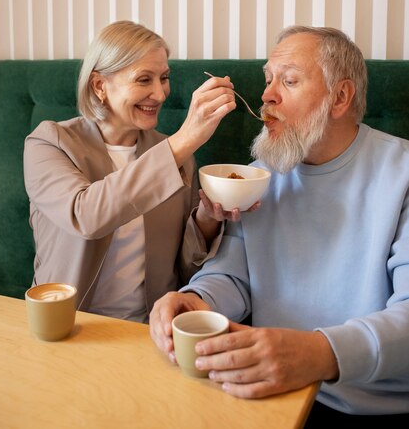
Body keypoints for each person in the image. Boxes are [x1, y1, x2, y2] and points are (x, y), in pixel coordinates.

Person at [149, 26, 409, 425]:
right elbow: (232, 276)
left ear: (340, 97)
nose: (267, 95)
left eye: (288, 80)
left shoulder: (402, 174)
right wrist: (198, 301)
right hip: (269, 394)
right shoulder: (255, 177)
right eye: (268, 79)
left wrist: (318, 354)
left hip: (371, 406)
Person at [23, 19, 246, 323]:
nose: (160, 93)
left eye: (164, 78)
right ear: (100, 85)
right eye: (144, 80)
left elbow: (185, 268)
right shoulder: (49, 143)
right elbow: (86, 215)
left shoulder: (173, 153)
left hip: (147, 327)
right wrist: (185, 139)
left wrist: (208, 219)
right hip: (68, 325)